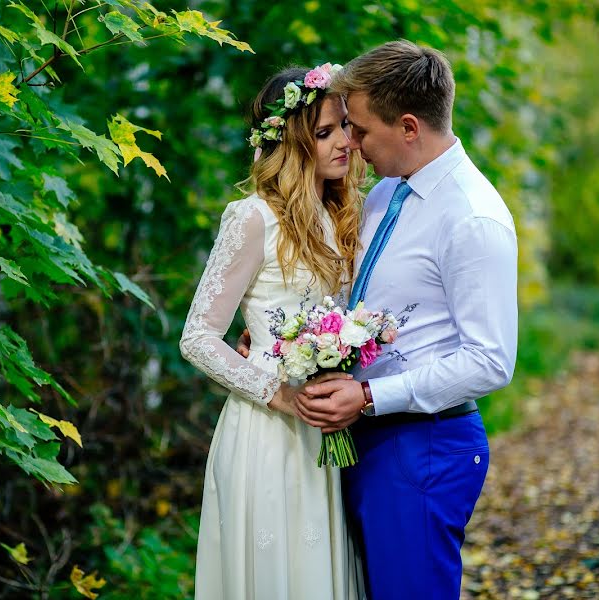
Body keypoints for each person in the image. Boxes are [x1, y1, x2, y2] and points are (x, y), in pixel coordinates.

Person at [292, 41, 518, 599]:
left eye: (362, 130)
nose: (354, 145)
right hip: (369, 443)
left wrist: (370, 398)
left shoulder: (473, 218)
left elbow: (491, 361)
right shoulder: (386, 194)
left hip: (425, 447)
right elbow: (361, 299)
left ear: (410, 127)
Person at [179, 63, 367, 599]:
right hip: (270, 426)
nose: (344, 144)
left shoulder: (342, 214)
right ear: (292, 142)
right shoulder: (253, 217)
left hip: (328, 424)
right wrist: (278, 394)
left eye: (345, 129)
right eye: (325, 133)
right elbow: (197, 336)